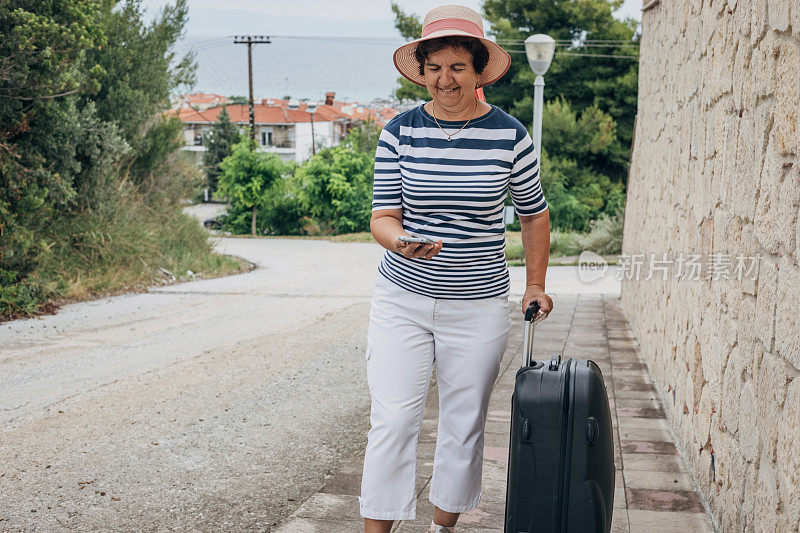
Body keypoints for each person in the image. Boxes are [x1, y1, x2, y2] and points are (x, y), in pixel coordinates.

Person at [360, 5, 553, 533]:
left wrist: (535, 283)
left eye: (457, 67)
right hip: (403, 299)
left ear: (477, 71)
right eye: (436, 67)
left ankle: (441, 528)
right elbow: (382, 216)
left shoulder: (510, 135)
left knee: (463, 425)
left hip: (478, 305)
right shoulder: (398, 132)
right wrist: (400, 241)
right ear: (421, 71)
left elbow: (534, 214)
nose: (446, 78)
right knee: (394, 420)